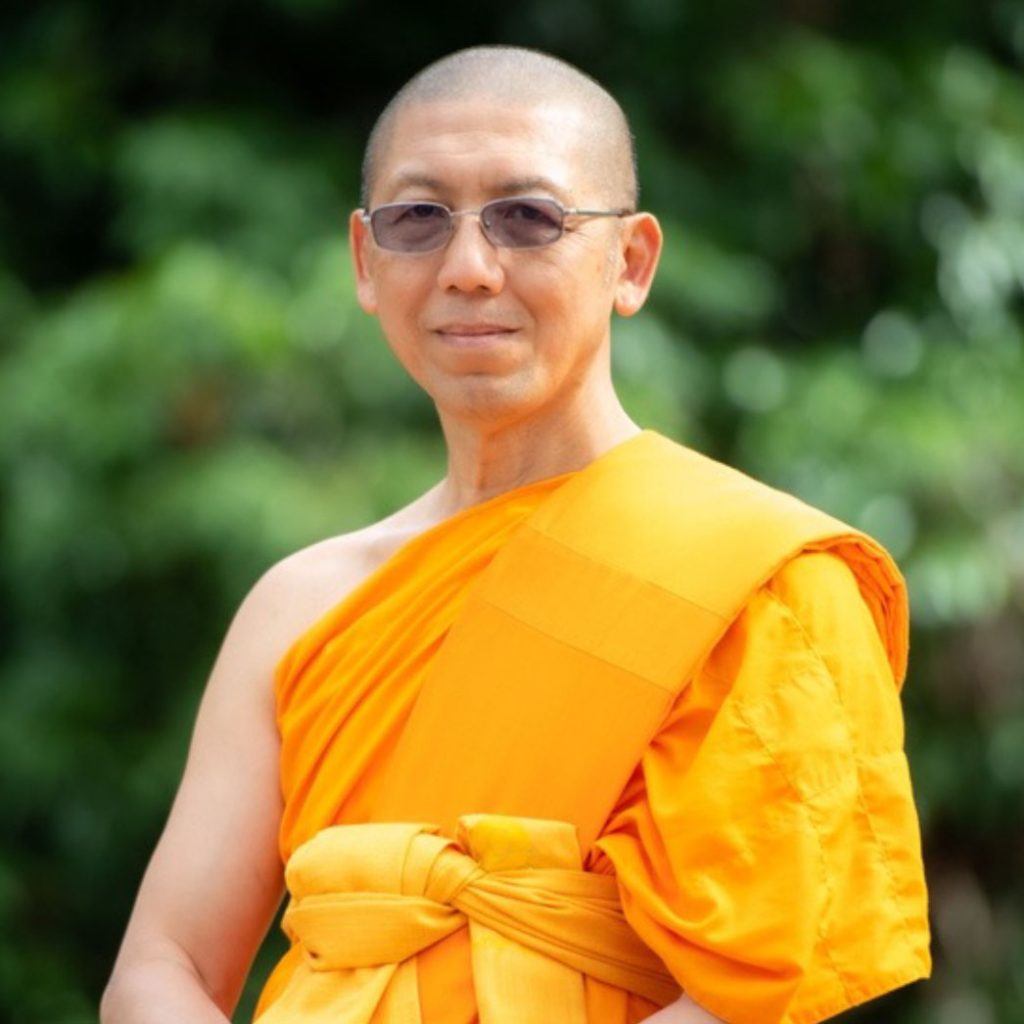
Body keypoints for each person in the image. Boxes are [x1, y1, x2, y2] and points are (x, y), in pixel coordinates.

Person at [101, 46, 931, 1024]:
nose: (467, 269)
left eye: (528, 218)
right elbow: (163, 965)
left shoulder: (756, 580)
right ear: (366, 261)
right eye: (418, 219)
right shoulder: (301, 604)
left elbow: (760, 992)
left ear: (630, 262)